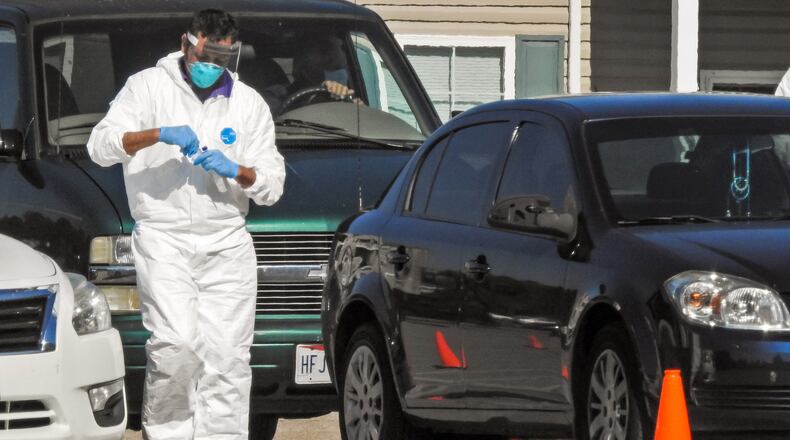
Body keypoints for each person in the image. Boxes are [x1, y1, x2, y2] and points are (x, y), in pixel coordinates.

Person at [87, 9, 285, 440]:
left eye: (223, 58)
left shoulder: (247, 103)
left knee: (228, 356)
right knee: (176, 345)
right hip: (164, 236)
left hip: (227, 240)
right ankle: (168, 433)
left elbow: (272, 185)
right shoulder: (147, 87)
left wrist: (237, 170)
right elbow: (100, 146)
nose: (212, 66)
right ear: (185, 43)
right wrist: (157, 134)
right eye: (205, 55)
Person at [261, 36, 355, 114]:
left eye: (337, 68)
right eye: (324, 50)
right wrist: (315, 103)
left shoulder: (348, 99)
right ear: (299, 62)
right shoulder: (276, 95)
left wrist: (355, 108)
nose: (332, 57)